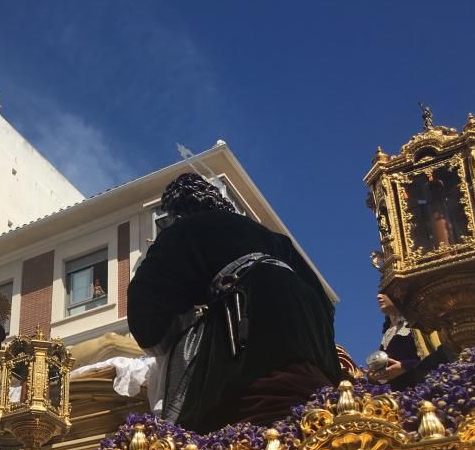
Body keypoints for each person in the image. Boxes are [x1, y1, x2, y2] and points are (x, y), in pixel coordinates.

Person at [128, 172, 340, 434]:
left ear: (176, 211)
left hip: (248, 354)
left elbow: (147, 320)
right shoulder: (275, 239)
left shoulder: (184, 231)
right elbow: (326, 307)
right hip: (315, 355)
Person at [370, 293, 454, 389]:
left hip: (423, 388)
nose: (378, 296)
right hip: (397, 394)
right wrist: (374, 376)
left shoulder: (422, 324)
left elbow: (445, 354)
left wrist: (405, 366)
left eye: (384, 293)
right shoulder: (388, 333)